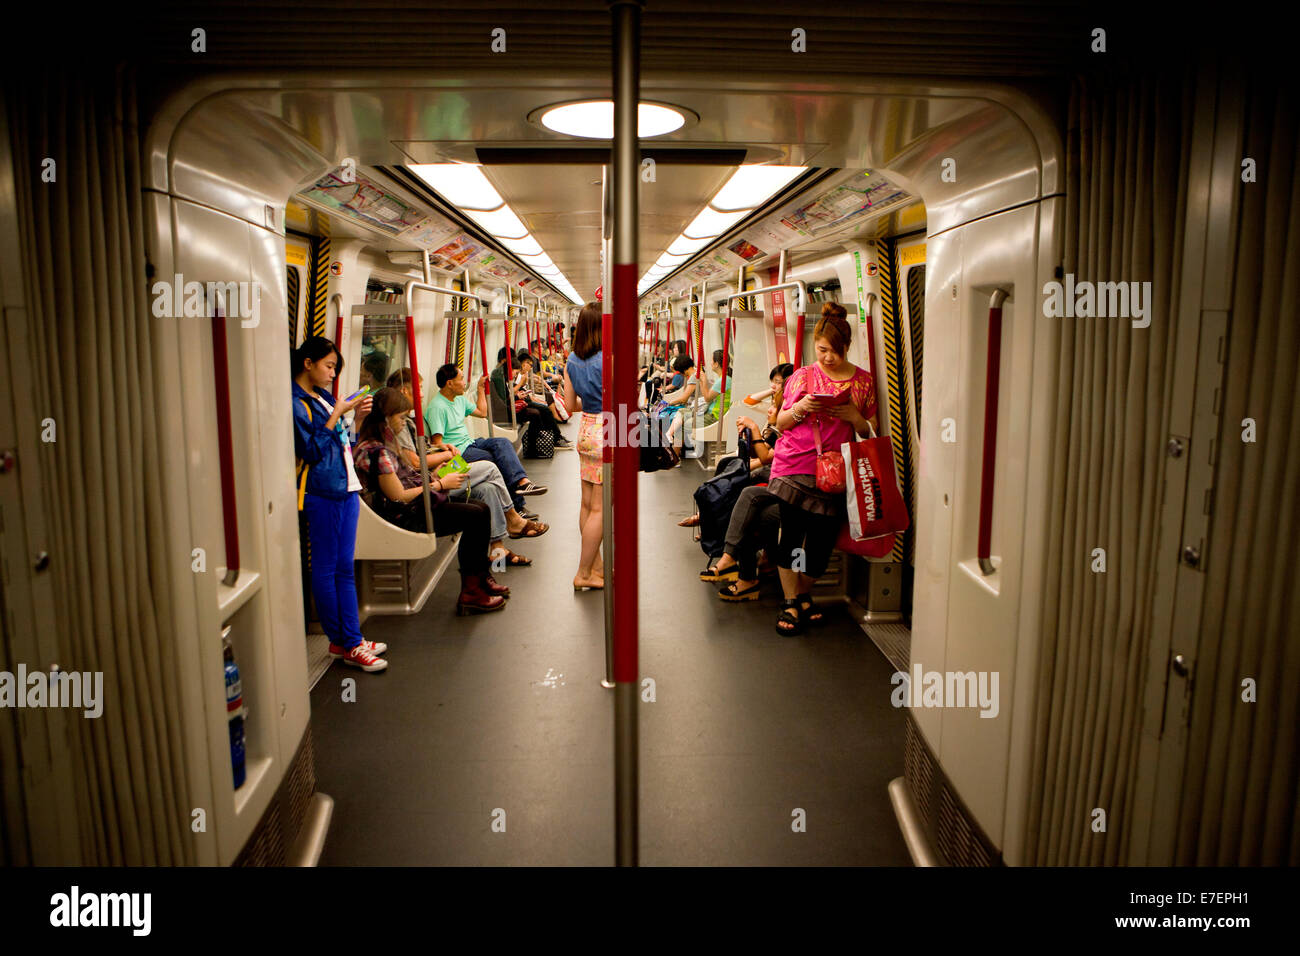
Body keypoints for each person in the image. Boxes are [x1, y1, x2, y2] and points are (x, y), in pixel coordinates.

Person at [768, 302, 878, 636]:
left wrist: (854, 418)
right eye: (822, 350)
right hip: (795, 464)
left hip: (836, 472)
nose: (827, 358)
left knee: (819, 543)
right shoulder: (802, 376)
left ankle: (804, 592)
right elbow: (781, 424)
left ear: (846, 347)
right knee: (793, 536)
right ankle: (790, 600)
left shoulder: (863, 382)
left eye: (834, 351)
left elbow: (868, 431)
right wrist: (801, 407)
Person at [352, 388, 508, 614]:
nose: (403, 423)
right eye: (401, 418)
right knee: (475, 514)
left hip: (413, 506)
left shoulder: (385, 444)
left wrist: (434, 476)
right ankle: (472, 591)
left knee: (479, 507)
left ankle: (479, 579)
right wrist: (440, 485)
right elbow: (399, 496)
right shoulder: (378, 453)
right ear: (386, 418)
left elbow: (407, 482)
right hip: (405, 516)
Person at [292, 336, 389, 671]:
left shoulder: (322, 397)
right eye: (329, 366)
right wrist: (336, 414)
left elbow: (343, 442)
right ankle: (347, 643)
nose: (333, 374)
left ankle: (348, 638)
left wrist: (355, 420)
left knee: (345, 568)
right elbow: (311, 451)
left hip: (345, 486)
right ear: (308, 363)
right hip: (321, 491)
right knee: (326, 568)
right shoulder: (298, 402)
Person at [387, 367, 548, 536]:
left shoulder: (409, 421)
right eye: (419, 388)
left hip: (440, 467)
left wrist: (479, 390)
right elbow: (415, 462)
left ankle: (499, 544)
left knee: (491, 478)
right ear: (405, 391)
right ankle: (515, 515)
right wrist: (448, 454)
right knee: (491, 464)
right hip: (444, 468)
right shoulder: (403, 423)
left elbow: (482, 413)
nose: (421, 394)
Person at [425, 363, 548, 515]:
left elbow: (482, 413)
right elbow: (437, 444)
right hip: (458, 453)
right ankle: (517, 507)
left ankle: (523, 482)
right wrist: (451, 451)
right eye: (462, 379)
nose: (464, 383)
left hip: (470, 443)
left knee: (502, 442)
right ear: (449, 383)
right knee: (495, 460)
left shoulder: (459, 399)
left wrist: (480, 390)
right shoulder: (437, 407)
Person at [563, 301, 605, 590]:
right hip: (609, 430)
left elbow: (569, 405)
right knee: (601, 510)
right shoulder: (610, 359)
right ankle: (584, 572)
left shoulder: (571, 360)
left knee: (587, 504)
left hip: (587, 429)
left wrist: (590, 401)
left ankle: (596, 566)